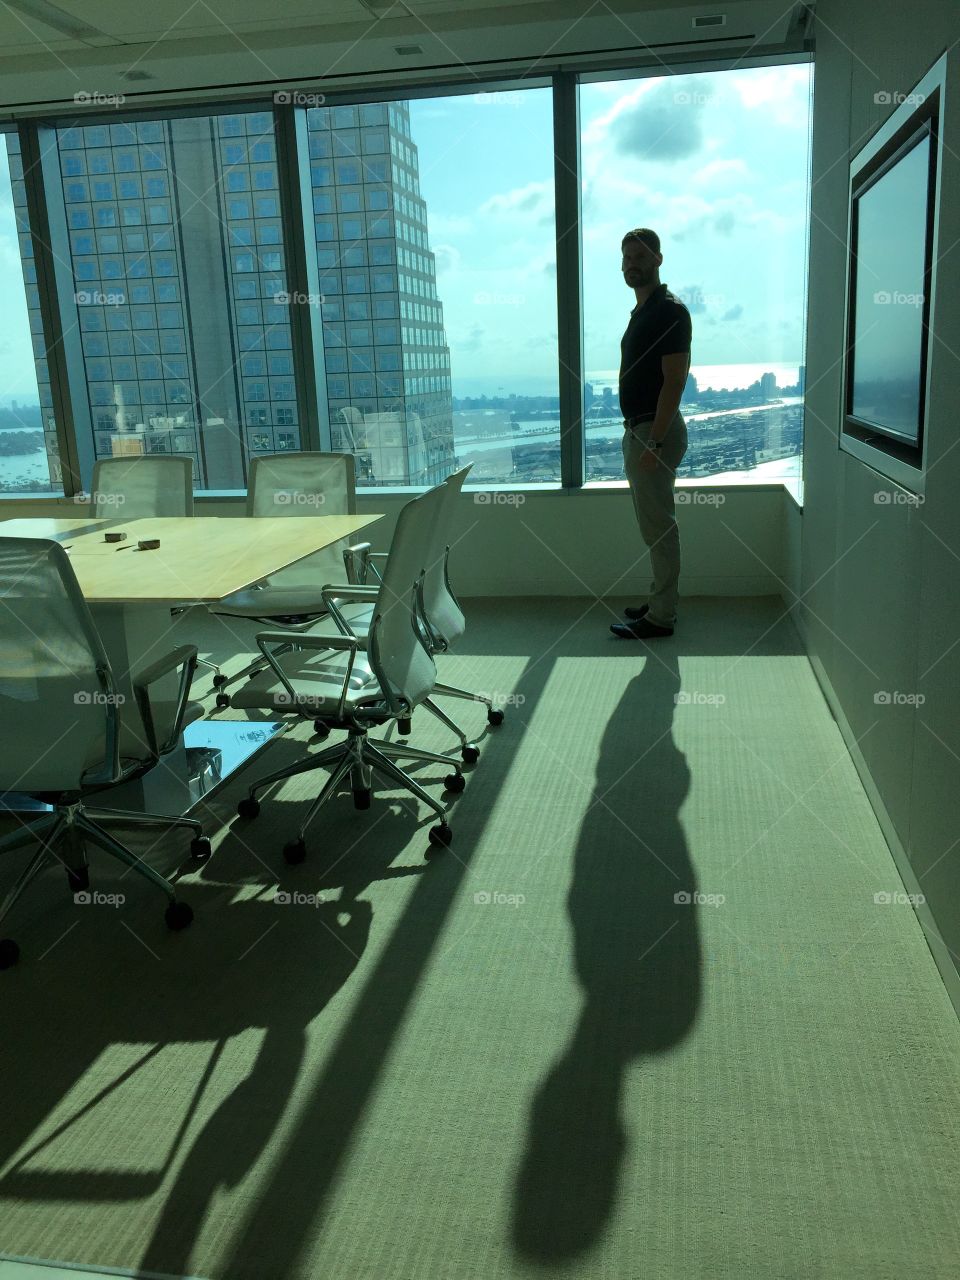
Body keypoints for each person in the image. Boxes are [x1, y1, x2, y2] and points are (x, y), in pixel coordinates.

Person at [610, 227, 692, 640]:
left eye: (640, 257)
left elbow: (674, 381)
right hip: (641, 429)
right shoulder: (645, 311)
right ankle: (660, 601)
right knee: (653, 526)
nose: (632, 264)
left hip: (653, 431)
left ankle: (661, 617)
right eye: (626, 258)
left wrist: (655, 439)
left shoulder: (669, 311)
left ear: (658, 259)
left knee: (659, 527)